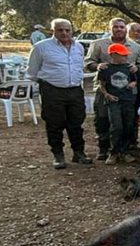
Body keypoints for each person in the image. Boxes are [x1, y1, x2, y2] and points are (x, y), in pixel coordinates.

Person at [27, 18, 92, 169]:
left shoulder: (79, 47)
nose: (64, 33)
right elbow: (32, 72)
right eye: (60, 30)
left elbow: (79, 67)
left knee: (76, 122)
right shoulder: (40, 48)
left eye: (67, 30)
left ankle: (79, 153)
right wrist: (49, 84)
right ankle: (58, 154)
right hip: (52, 90)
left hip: (75, 90)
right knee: (54, 123)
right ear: (52, 31)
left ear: (72, 30)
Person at [85, 18, 140, 160]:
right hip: (105, 88)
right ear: (110, 28)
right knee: (102, 118)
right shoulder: (98, 44)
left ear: (126, 29)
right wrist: (97, 66)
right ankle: (104, 148)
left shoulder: (135, 47)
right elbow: (88, 63)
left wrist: (138, 68)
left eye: (122, 27)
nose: (119, 29)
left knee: (127, 120)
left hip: (127, 90)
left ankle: (125, 148)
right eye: (116, 27)